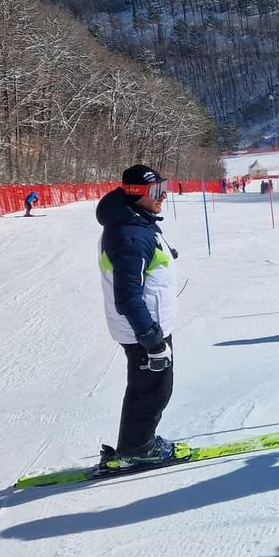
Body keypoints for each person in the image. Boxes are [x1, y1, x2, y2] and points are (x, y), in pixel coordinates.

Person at [96, 164, 180, 467]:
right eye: (156, 191)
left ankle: (137, 443)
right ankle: (137, 448)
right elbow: (128, 296)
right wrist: (151, 339)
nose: (164, 196)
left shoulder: (136, 221)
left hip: (147, 325)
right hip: (142, 330)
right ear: (135, 194)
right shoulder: (129, 234)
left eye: (164, 187)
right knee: (152, 390)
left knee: (152, 387)